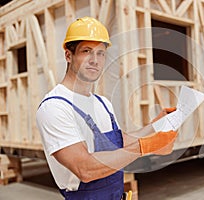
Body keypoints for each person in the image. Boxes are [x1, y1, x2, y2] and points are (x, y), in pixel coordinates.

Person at [36, 16, 177, 200]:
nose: (95, 60)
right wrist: (145, 146)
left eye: (100, 53)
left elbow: (120, 141)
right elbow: (84, 168)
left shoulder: (102, 103)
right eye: (87, 51)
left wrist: (155, 125)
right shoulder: (55, 107)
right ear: (68, 55)